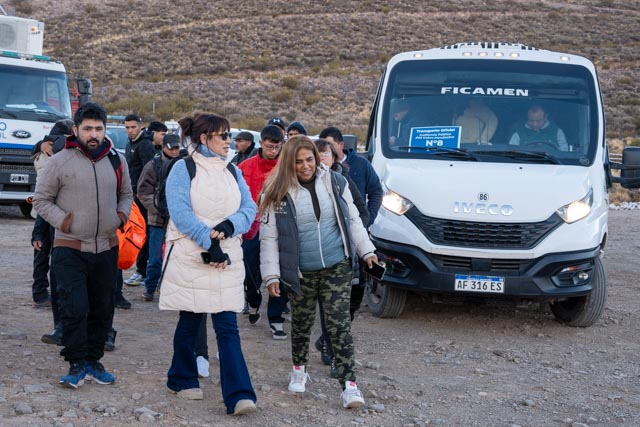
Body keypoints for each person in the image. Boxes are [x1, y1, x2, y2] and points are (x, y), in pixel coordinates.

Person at [259, 135, 378, 409]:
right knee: (301, 323)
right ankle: (299, 369)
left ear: (316, 158)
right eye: (298, 161)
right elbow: (269, 238)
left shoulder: (335, 182)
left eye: (309, 159)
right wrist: (271, 275)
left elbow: (353, 219)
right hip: (301, 272)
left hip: (337, 266)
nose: (305, 166)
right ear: (288, 163)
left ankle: (350, 386)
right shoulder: (275, 192)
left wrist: (367, 251)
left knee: (339, 326)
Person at [159, 112, 257, 416]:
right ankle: (181, 377)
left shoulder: (233, 170)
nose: (229, 141)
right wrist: (208, 241)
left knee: (227, 326)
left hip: (226, 257)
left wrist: (229, 226)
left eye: (230, 136)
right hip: (192, 256)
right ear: (204, 138)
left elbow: (249, 207)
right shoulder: (183, 168)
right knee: (191, 319)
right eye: (223, 136)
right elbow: (180, 212)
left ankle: (239, 395)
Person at [33, 102, 133, 389]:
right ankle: (76, 364)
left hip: (107, 247)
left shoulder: (117, 160)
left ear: (105, 130)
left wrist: (120, 216)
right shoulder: (59, 161)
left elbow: (127, 194)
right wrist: (64, 222)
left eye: (98, 129)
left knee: (102, 308)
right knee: (74, 307)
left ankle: (93, 361)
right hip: (70, 248)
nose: (93, 134)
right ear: (76, 130)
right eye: (87, 128)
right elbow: (41, 200)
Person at [313, 138, 369, 376]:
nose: (321, 159)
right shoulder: (305, 184)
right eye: (317, 155)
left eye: (325, 154)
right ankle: (334, 352)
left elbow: (361, 212)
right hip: (325, 257)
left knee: (351, 304)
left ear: (334, 157)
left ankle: (326, 341)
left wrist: (354, 235)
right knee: (332, 308)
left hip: (349, 253)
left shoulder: (343, 181)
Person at [318, 126, 382, 317]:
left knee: (358, 283)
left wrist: (364, 223)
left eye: (328, 148)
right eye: (320, 150)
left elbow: (372, 195)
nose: (323, 155)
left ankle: (348, 316)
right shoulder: (311, 177)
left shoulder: (356, 169)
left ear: (339, 146)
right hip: (330, 244)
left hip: (356, 234)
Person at [237, 125, 287, 339]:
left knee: (280, 271)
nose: (273, 151)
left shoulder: (286, 167)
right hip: (252, 227)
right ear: (261, 144)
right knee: (250, 270)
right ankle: (253, 299)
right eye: (269, 147)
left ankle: (276, 318)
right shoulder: (245, 166)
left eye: (277, 147)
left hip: (280, 226)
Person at [30, 119, 74, 307]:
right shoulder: (58, 150)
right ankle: (48, 293)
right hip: (53, 209)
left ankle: (40, 291)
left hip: (43, 208)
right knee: (54, 253)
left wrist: (40, 144)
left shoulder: (42, 149)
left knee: (41, 251)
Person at [136, 133, 181, 302]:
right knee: (155, 258)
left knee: (177, 258)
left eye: (177, 148)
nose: (175, 151)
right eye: (171, 148)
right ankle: (150, 288)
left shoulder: (183, 165)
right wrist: (158, 208)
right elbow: (143, 192)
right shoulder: (152, 166)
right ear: (163, 147)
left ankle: (172, 289)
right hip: (158, 220)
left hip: (178, 221)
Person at [123, 114, 155, 287]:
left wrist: (142, 193)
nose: (130, 130)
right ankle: (140, 269)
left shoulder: (145, 145)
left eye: (133, 127)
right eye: (127, 127)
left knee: (143, 233)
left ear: (140, 126)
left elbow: (148, 172)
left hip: (141, 197)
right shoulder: (130, 143)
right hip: (131, 194)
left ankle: (142, 271)